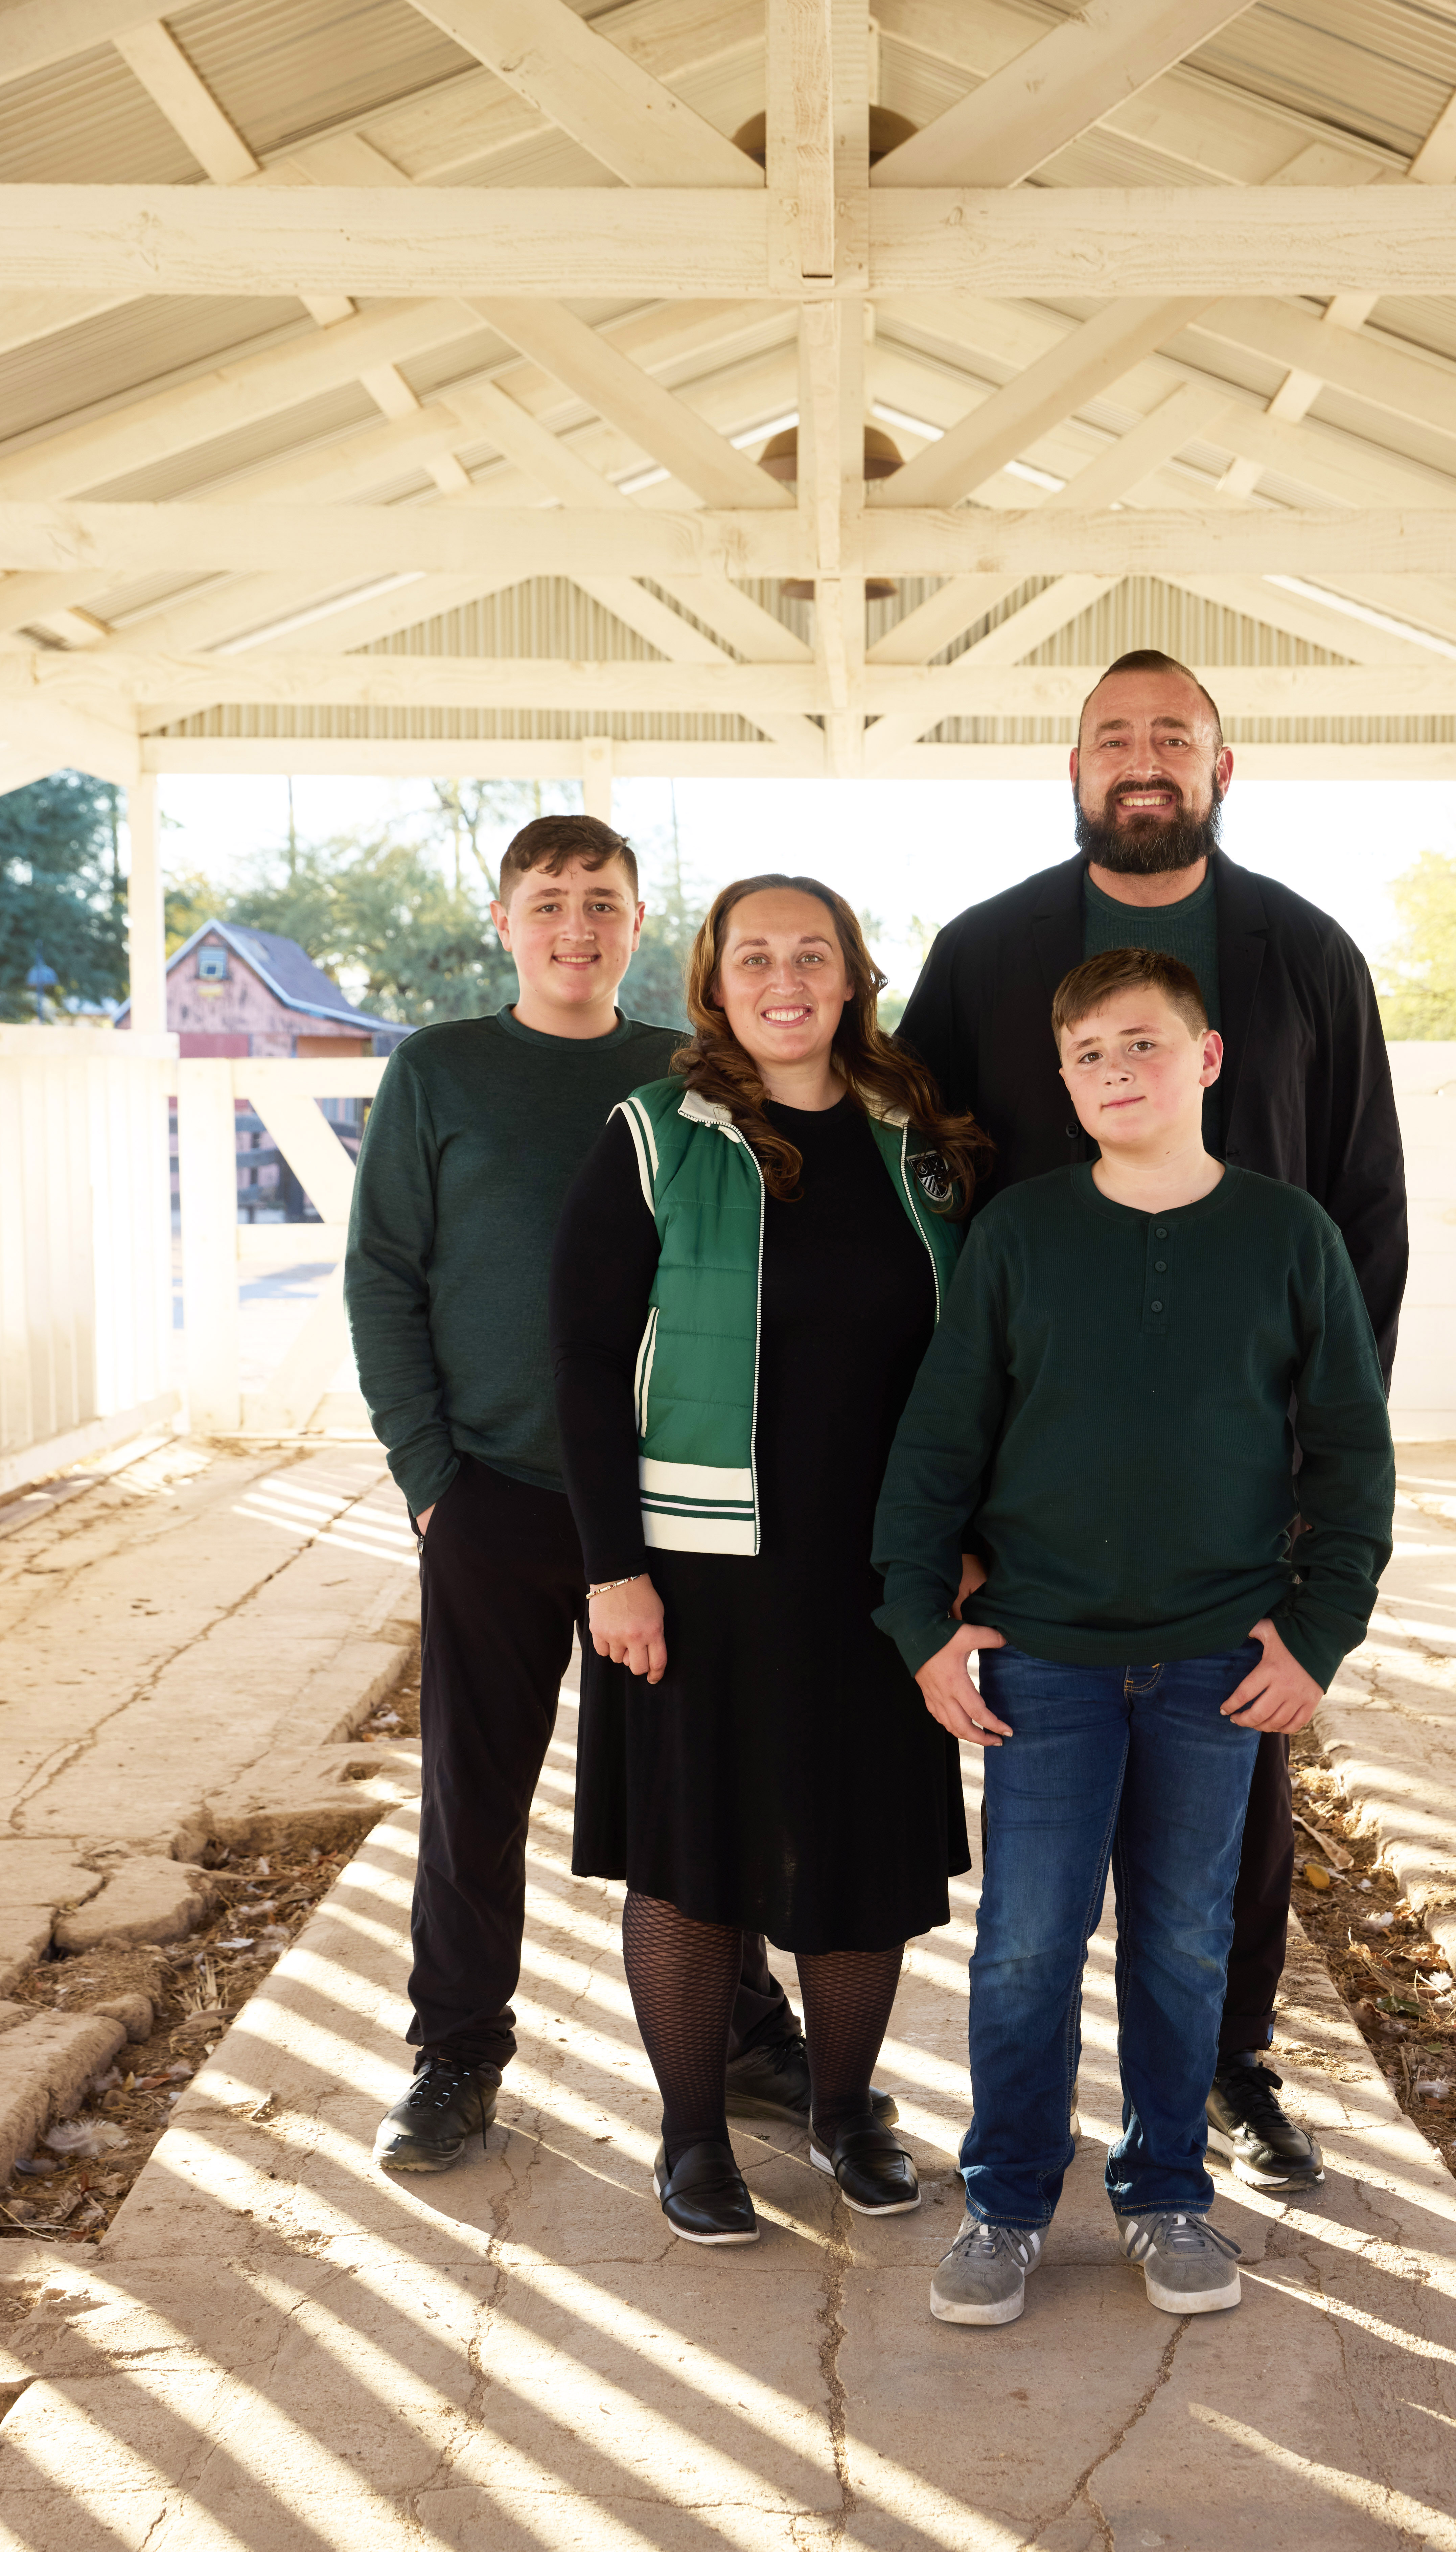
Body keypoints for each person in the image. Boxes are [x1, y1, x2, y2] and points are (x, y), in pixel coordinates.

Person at [897, 647, 1406, 2191]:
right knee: (1033, 1893)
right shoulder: (985, 956)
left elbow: (1365, 1220)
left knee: (1233, 1819)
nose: (1142, 758)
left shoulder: (1305, 957)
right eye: (1113, 736)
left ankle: (1226, 2071)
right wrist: (961, 1515)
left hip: (1245, 1495)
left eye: (1171, 736)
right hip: (1038, 1496)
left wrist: (1319, 1496)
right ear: (1072, 770)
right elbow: (914, 1199)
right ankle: (1005, 2150)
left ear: (1220, 768)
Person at [873, 946, 1395, 2326]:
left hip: (1218, 1663)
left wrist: (1319, 1631)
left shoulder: (1288, 1236)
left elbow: (1350, 1453)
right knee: (1029, 1945)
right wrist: (923, 1623)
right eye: (1091, 1052)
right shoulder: (1024, 1234)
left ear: (1207, 1059)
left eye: (1145, 1045)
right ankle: (1003, 2204)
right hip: (1041, 1653)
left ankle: (1168, 2190)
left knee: (1179, 1943)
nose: (1119, 1070)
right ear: (1064, 1080)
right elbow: (938, 1442)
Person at [347, 814, 816, 2172]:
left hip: (663, 1509)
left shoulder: (688, 1075)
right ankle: (454, 2055)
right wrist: (430, 1479)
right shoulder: (441, 1072)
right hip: (490, 1493)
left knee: (690, 1788)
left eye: (601, 901)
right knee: (474, 1796)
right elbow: (385, 1274)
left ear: (634, 922)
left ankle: (735, 2028)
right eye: (548, 901)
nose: (574, 924)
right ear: (503, 921)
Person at [550, 875, 987, 2245]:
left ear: (853, 975)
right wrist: (610, 1568)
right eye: (755, 957)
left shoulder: (918, 1139)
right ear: (715, 985)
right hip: (696, 1570)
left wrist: (968, 1543)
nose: (784, 977)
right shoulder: (654, 1136)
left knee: (860, 1857)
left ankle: (844, 2109)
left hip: (879, 1574)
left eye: (813, 952)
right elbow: (576, 1362)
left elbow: (976, 1360)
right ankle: (690, 2139)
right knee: (692, 1858)